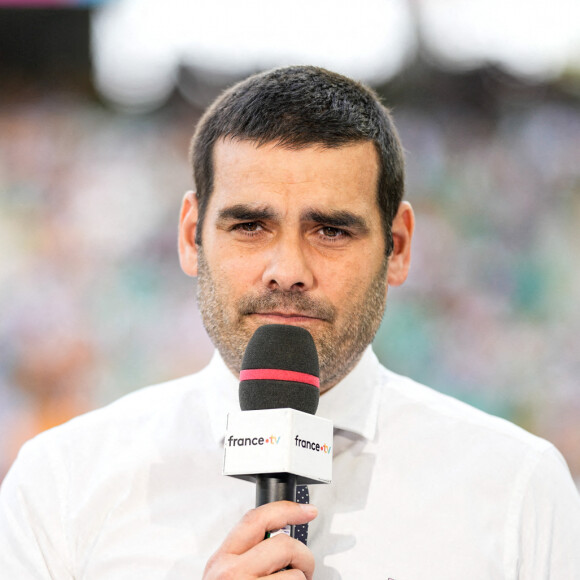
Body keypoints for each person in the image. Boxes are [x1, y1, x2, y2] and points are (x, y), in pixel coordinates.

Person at [1, 65, 579, 579]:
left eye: (331, 230)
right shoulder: (62, 483)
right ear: (189, 236)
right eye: (249, 226)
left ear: (398, 247)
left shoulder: (518, 488)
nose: (287, 271)